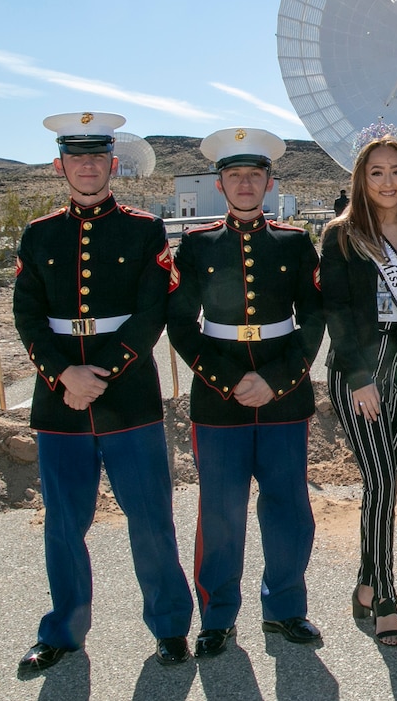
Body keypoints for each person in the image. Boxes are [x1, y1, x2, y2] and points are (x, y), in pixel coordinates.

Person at [13, 111, 193, 673]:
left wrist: (102, 373)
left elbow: (151, 313)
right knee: (64, 524)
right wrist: (64, 375)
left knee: (151, 519)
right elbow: (27, 315)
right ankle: (63, 630)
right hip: (59, 398)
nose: (87, 167)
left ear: (113, 164)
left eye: (97, 158)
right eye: (76, 158)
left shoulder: (143, 230)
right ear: (58, 164)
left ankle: (169, 627)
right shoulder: (39, 233)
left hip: (128, 395)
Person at [167, 127, 325, 657]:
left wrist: (277, 380)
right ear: (220, 183)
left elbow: (313, 318)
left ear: (269, 181)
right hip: (219, 401)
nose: (244, 183)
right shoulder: (197, 245)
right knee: (220, 511)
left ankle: (285, 609)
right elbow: (182, 322)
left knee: (287, 507)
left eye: (253, 175)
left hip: (284, 398)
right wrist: (229, 380)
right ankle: (217, 616)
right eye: (234, 175)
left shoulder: (295, 242)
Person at [320, 122, 397, 646]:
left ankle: (365, 584)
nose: (388, 182)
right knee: (381, 481)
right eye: (377, 172)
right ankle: (387, 597)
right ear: (361, 179)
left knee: (386, 477)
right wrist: (358, 378)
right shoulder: (342, 234)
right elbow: (338, 312)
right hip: (362, 373)